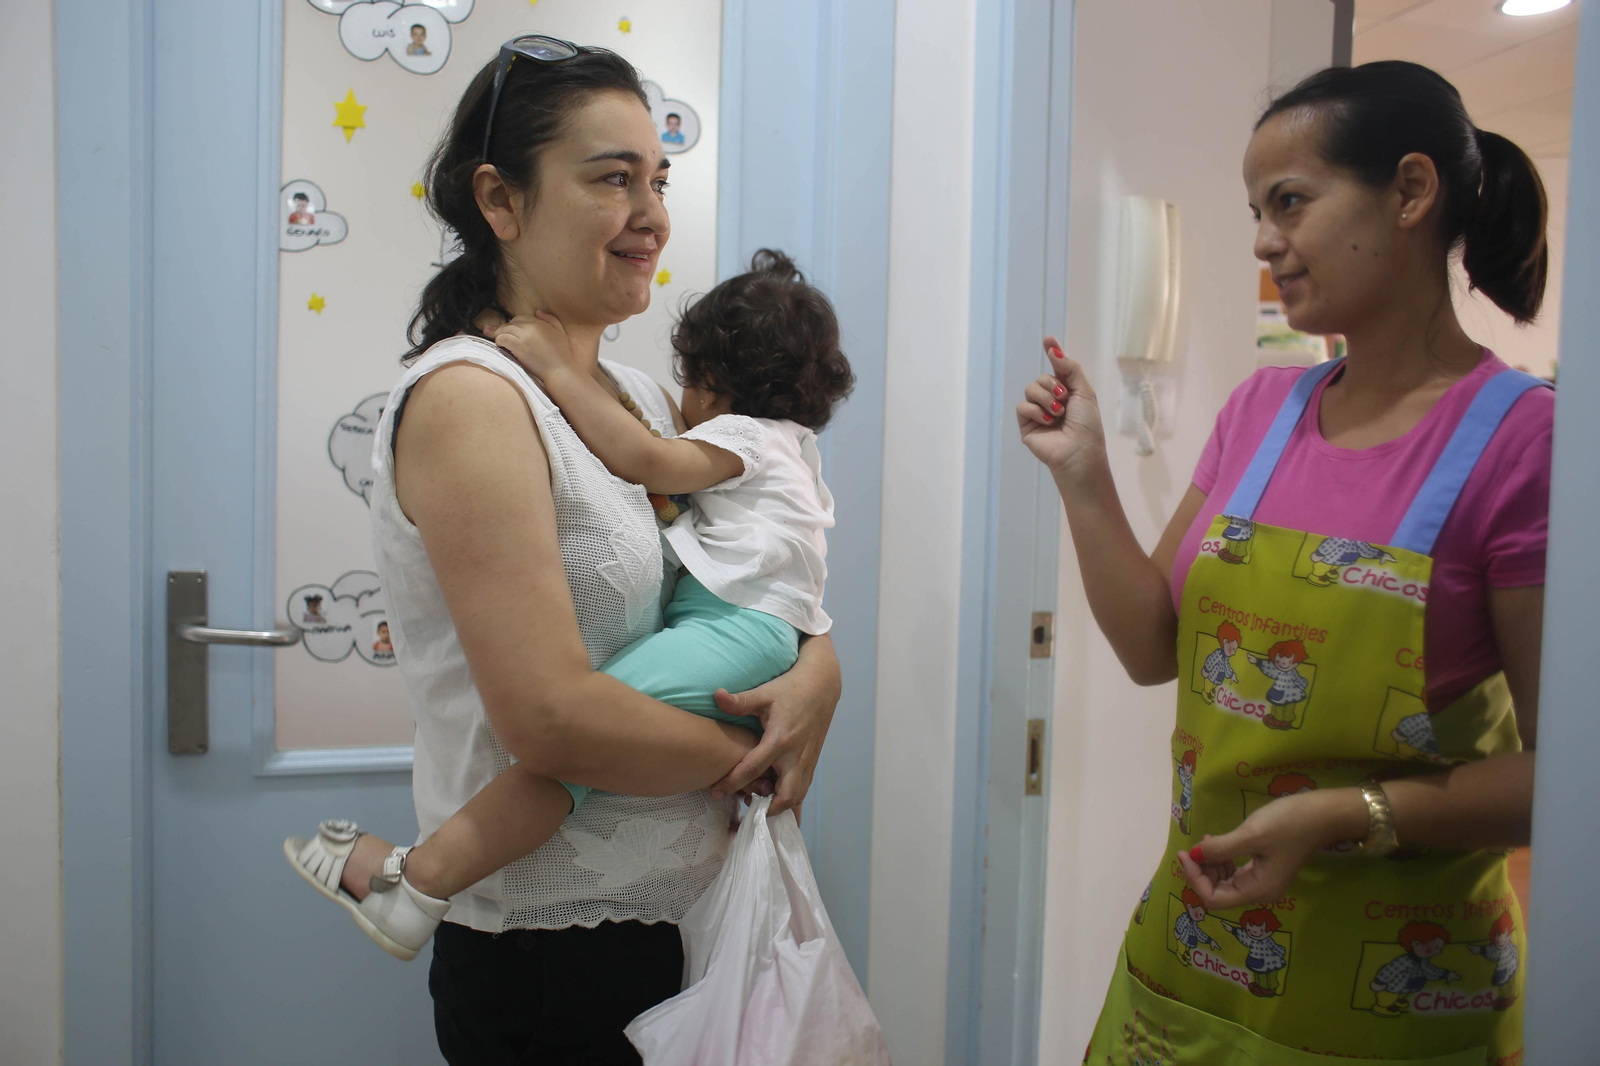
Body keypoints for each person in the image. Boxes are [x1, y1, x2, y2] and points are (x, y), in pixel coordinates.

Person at [280, 41, 842, 1064]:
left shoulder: (641, 400)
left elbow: (763, 570)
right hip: (556, 949)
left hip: (694, 914)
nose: (653, 213)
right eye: (612, 177)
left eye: (658, 177)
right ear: (500, 200)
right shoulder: (472, 402)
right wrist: (755, 759)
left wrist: (818, 676)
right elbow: (550, 722)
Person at [1019, 61, 1550, 1061]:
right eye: (1257, 210)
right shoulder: (1261, 412)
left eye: (1291, 203)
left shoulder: (1524, 441)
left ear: (1409, 190)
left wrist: (1351, 813)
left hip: (1397, 1000)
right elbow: (1149, 648)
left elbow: (1568, 775)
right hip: (1193, 958)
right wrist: (1083, 476)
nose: (1265, 241)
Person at [295, 249, 852, 960]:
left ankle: (419, 883)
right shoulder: (793, 449)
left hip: (732, 636)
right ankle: (421, 882)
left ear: (713, 383)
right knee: (579, 744)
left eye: (657, 181)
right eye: (615, 178)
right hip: (746, 637)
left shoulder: (731, 433)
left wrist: (556, 371)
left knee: (574, 753)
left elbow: (645, 460)